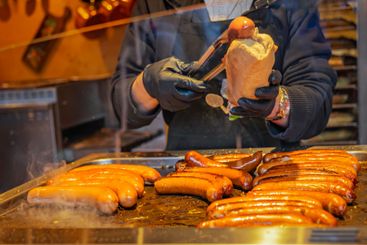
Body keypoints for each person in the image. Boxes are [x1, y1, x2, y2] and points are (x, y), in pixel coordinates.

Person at [111, 0, 337, 150]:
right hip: (189, 171)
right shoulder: (157, 3)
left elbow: (317, 101)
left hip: (274, 170)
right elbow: (122, 105)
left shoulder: (288, 4)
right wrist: (149, 84)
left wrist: (276, 105)